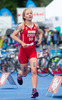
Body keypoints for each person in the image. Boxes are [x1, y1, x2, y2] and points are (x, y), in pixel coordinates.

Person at [11, 8, 43, 98]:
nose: (30, 15)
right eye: (28, 14)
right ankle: (19, 75)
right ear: (24, 16)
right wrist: (22, 42)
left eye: (31, 13)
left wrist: (40, 39)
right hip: (23, 52)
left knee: (34, 71)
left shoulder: (35, 26)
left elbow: (40, 33)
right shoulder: (21, 26)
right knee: (25, 73)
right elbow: (13, 35)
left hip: (32, 51)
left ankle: (34, 91)